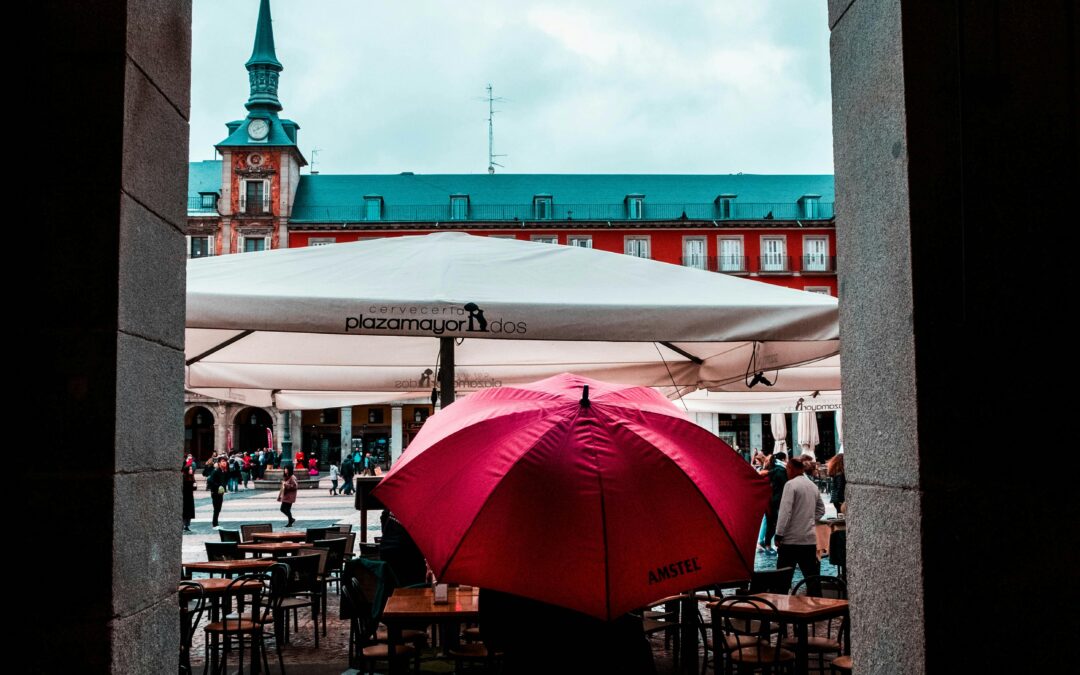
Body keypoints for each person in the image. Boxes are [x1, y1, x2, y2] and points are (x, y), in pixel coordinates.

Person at [775, 455, 826, 593]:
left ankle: (781, 611)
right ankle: (817, 609)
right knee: (812, 580)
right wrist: (808, 519)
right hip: (808, 540)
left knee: (782, 582)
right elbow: (821, 509)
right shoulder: (812, 486)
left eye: (787, 469)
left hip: (790, 541)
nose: (786, 472)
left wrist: (779, 534)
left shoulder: (790, 485)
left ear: (791, 468)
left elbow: (785, 512)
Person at [760, 451, 788, 554]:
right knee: (776, 524)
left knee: (771, 523)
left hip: (770, 501)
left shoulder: (773, 470)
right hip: (777, 501)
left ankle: (768, 545)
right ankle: (773, 545)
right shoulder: (780, 470)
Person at [206, 456, 229, 529]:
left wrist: (223, 487)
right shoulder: (216, 471)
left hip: (220, 493)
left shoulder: (224, 472)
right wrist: (218, 486)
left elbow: (225, 481)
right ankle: (215, 524)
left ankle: (216, 523)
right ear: (219, 463)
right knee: (216, 508)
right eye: (222, 461)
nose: (224, 463)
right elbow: (210, 481)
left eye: (225, 461)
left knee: (218, 509)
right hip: (215, 492)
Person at [182, 464, 197, 532]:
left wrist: (194, 486)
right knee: (185, 512)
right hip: (185, 497)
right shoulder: (184, 477)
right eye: (190, 469)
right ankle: (183, 524)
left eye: (191, 469)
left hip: (190, 497)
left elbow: (194, 488)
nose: (191, 470)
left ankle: (187, 525)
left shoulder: (192, 477)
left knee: (189, 512)